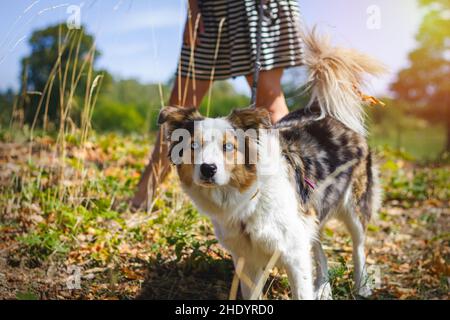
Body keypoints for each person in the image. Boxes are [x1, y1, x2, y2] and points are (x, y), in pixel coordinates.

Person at [131, 0, 305, 209]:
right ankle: (142, 198)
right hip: (210, 10)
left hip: (256, 6)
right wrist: (193, 9)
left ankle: (295, 199)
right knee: (178, 112)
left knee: (270, 107)